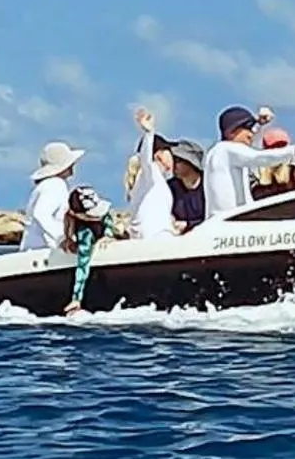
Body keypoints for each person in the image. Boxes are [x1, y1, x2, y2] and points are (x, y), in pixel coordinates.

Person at [203, 105, 281, 218]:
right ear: (231, 132)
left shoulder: (233, 155)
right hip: (226, 226)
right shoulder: (223, 150)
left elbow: (253, 148)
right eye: (247, 127)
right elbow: (258, 157)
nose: (251, 133)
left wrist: (259, 124)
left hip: (237, 222)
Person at [21, 140, 84, 251]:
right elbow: (40, 214)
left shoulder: (44, 186)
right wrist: (62, 240)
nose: (72, 169)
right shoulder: (55, 184)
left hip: (32, 251)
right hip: (41, 252)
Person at [124, 108, 177, 239]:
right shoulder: (150, 173)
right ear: (159, 154)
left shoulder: (153, 180)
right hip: (154, 239)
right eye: (169, 151)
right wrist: (149, 133)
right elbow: (146, 159)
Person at [62, 184, 114, 314]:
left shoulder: (103, 215)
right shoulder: (84, 233)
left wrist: (108, 235)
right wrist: (76, 298)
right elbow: (82, 264)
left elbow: (108, 220)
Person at [167, 140, 206, 232]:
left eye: (178, 160)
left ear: (191, 162)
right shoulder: (170, 187)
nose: (174, 164)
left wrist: (188, 225)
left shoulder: (208, 184)